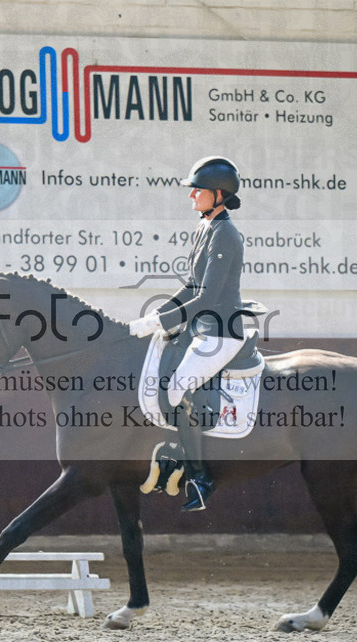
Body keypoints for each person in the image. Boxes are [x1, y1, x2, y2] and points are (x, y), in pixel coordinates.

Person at [129, 156, 246, 511]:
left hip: (221, 331)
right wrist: (156, 317)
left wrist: (163, 323)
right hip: (200, 327)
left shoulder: (226, 233)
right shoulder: (204, 228)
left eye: (198, 190)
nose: (191, 195)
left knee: (178, 388)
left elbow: (208, 296)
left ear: (219, 194)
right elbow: (192, 286)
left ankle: (200, 477)